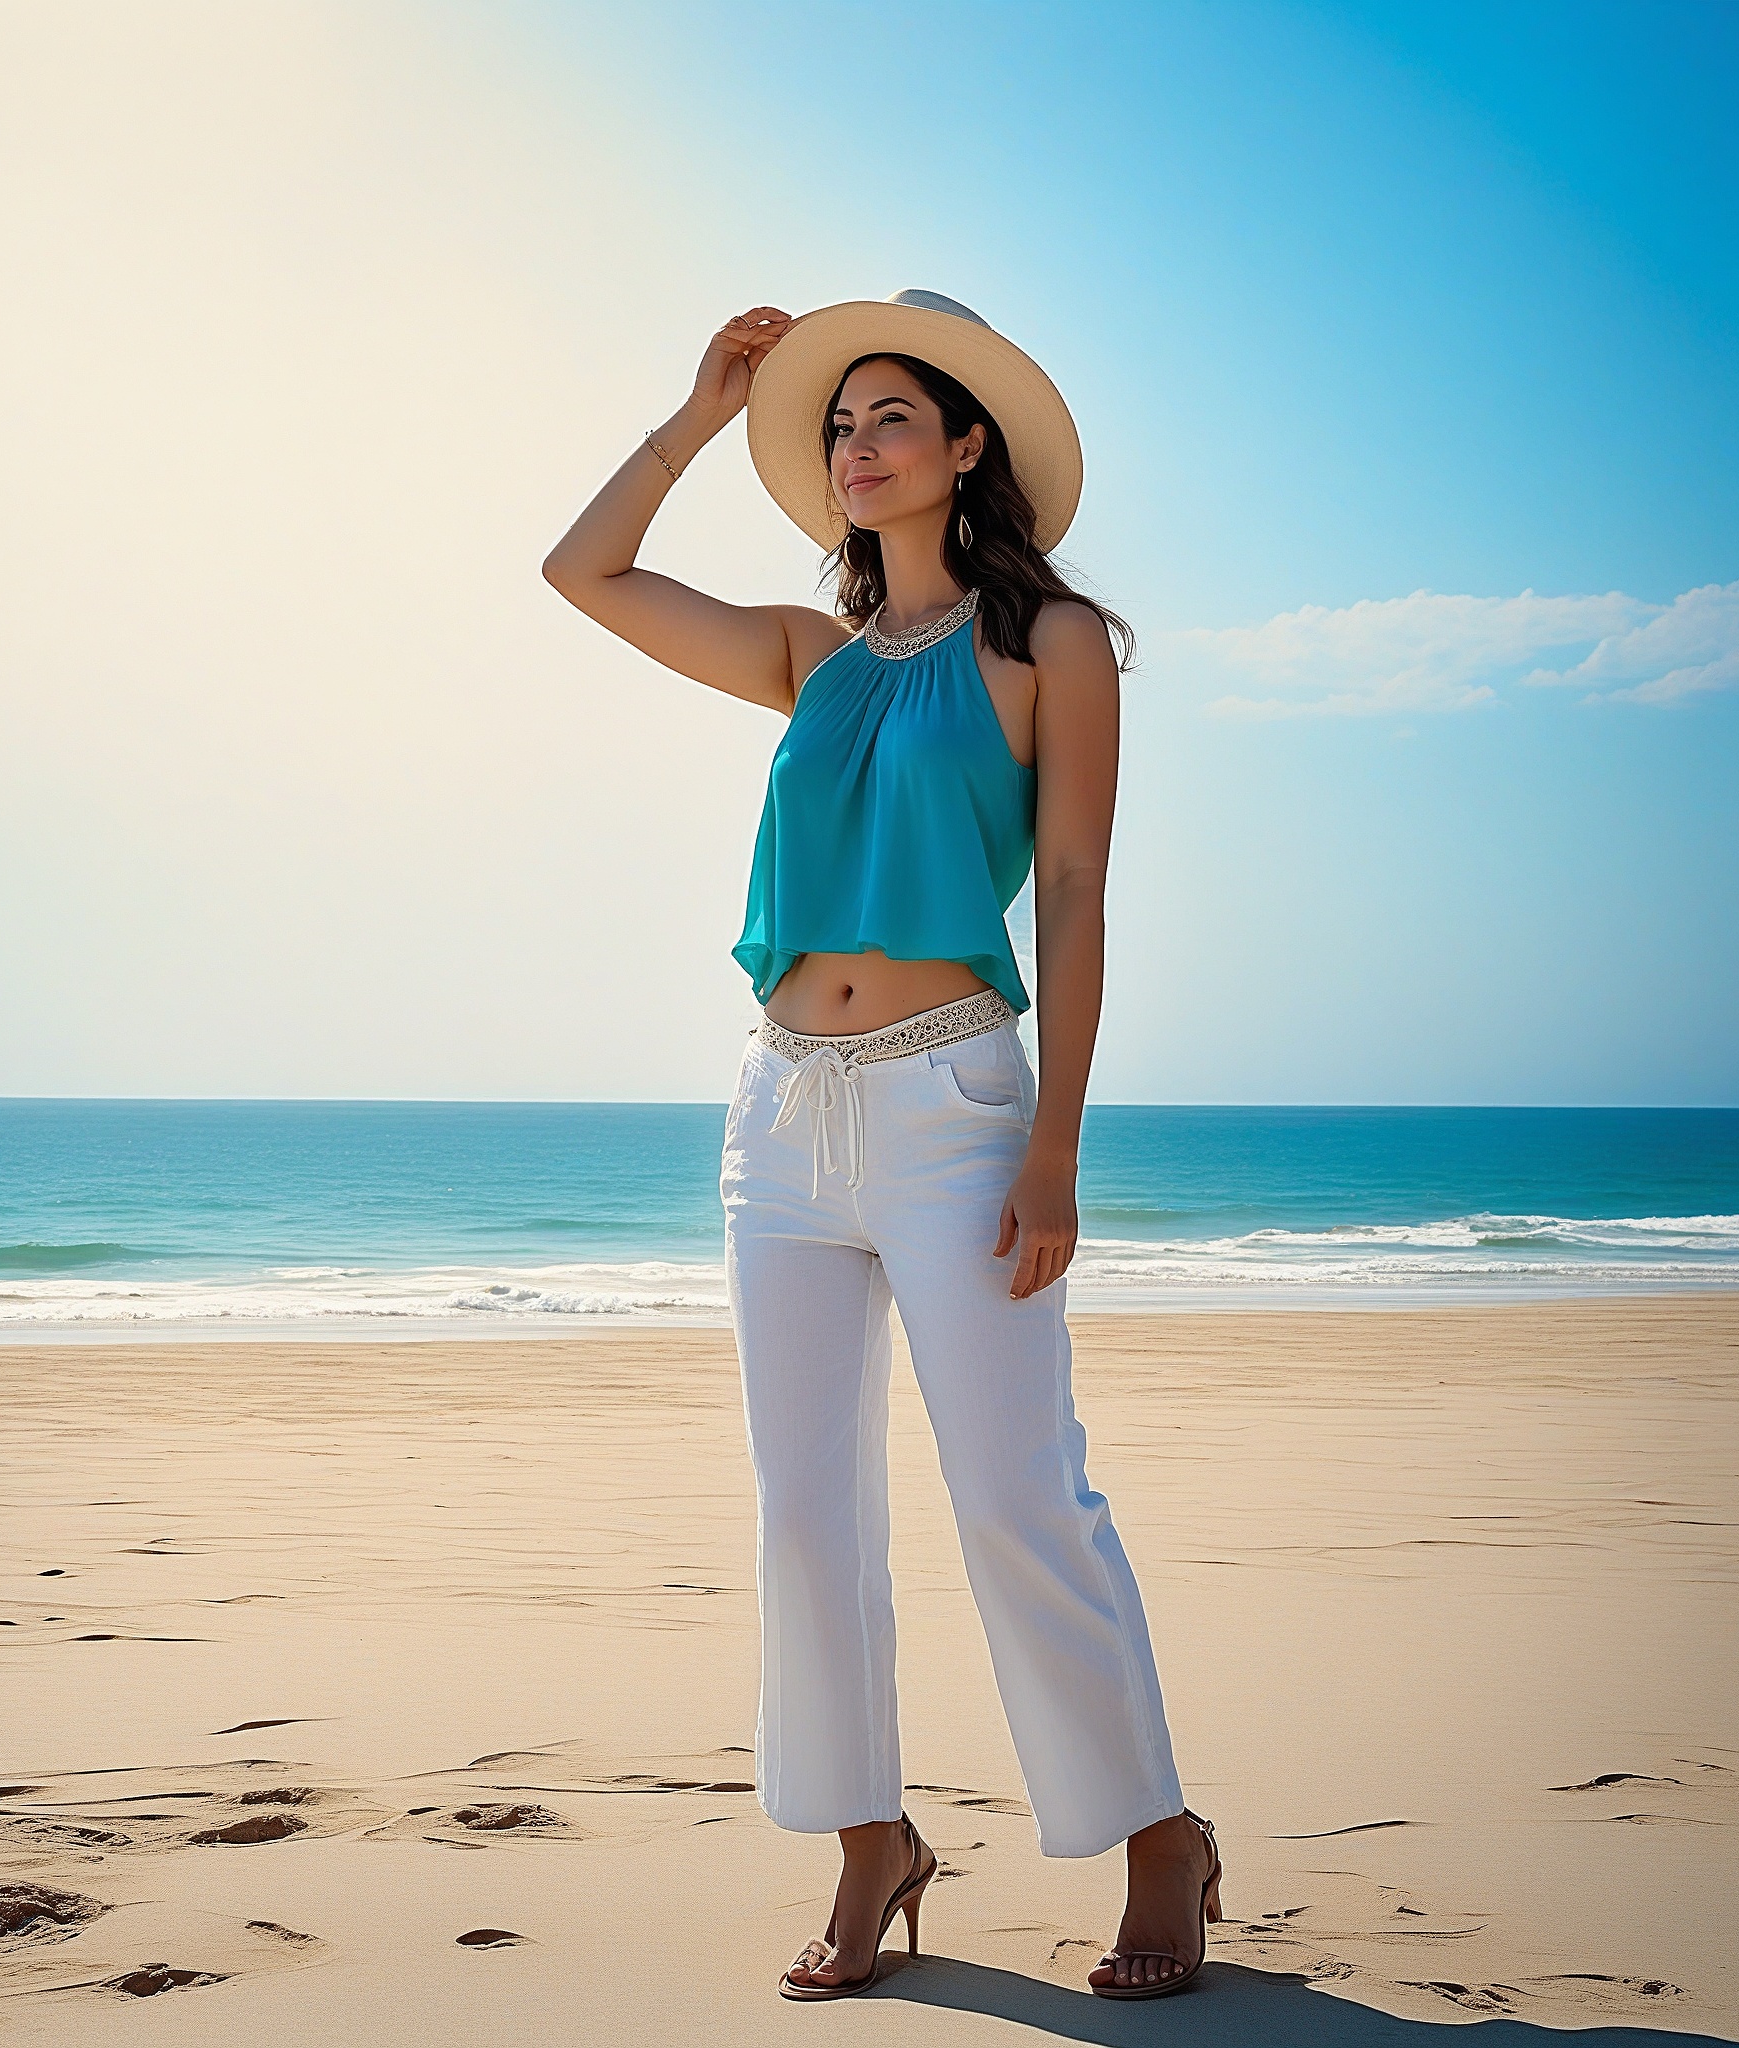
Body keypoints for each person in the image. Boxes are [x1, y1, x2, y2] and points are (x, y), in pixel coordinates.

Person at [542, 292, 1221, 2002]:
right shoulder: (810, 657)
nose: (857, 446)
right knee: (806, 1512)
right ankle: (870, 1843)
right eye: (838, 424)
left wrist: (1055, 1147)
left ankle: (1156, 1836)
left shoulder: (1051, 642)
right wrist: (700, 413)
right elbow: (585, 575)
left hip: (956, 1105)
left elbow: (1070, 895)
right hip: (779, 1114)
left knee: (1013, 1493)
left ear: (969, 445)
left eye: (890, 416)